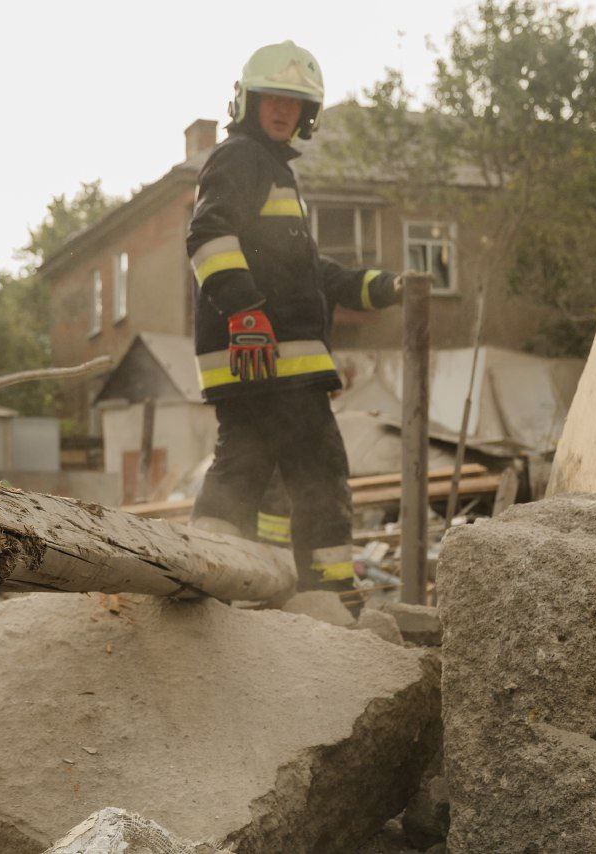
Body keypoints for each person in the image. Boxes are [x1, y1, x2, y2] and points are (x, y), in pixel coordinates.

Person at [187, 41, 402, 593]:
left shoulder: (271, 172)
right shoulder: (242, 159)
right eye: (272, 100)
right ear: (249, 103)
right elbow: (209, 236)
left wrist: (376, 287)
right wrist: (246, 314)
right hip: (266, 353)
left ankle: (213, 578)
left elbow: (307, 272)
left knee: (245, 473)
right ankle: (327, 598)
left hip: (257, 358)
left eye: (294, 103)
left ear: (306, 115)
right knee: (318, 473)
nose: (283, 111)